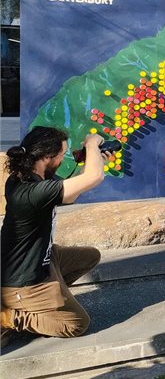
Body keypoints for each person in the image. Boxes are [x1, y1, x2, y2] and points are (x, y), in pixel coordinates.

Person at [1, 127, 108, 345]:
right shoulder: (32, 191)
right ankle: (10, 316)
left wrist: (95, 158)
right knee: (77, 324)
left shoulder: (29, 177)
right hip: (23, 281)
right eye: (62, 154)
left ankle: (47, 301)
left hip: (41, 261)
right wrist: (91, 144)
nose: (64, 159)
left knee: (89, 256)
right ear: (46, 157)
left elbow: (71, 194)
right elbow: (94, 176)